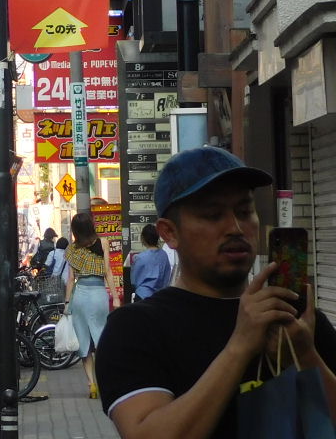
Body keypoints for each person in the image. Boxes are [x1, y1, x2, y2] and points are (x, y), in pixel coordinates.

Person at [97, 147, 336, 438]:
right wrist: (240, 346)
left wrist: (305, 355)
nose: (235, 228)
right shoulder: (135, 328)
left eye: (245, 211)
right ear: (169, 232)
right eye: (213, 215)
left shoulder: (296, 320)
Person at [64, 210, 117, 400]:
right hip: (98, 295)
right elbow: (108, 272)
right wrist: (116, 298)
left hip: (80, 296)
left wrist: (67, 303)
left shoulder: (72, 249)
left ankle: (91, 384)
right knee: (101, 338)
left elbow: (70, 279)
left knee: (84, 342)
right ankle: (105, 382)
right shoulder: (103, 243)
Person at [129, 223, 172, 300]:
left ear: (143, 238)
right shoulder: (164, 255)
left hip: (142, 295)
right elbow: (167, 277)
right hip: (160, 297)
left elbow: (134, 281)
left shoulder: (140, 258)